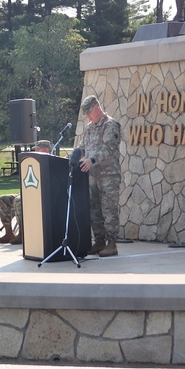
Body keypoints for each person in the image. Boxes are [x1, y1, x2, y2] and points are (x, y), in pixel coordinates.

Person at [77, 95, 122, 257]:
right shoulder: (89, 128)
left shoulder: (110, 125)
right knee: (94, 209)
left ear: (97, 108)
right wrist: (74, 156)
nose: (88, 116)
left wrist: (92, 160)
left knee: (108, 209)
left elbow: (108, 150)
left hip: (108, 176)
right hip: (92, 176)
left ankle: (112, 243)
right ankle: (100, 241)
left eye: (90, 112)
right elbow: (83, 147)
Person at [0, 139, 52, 245]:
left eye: (38, 149)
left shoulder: (52, 162)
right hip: (28, 192)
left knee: (19, 201)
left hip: (42, 195)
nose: (35, 152)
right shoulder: (32, 162)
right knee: (2, 199)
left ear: (46, 150)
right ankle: (9, 233)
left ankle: (22, 234)